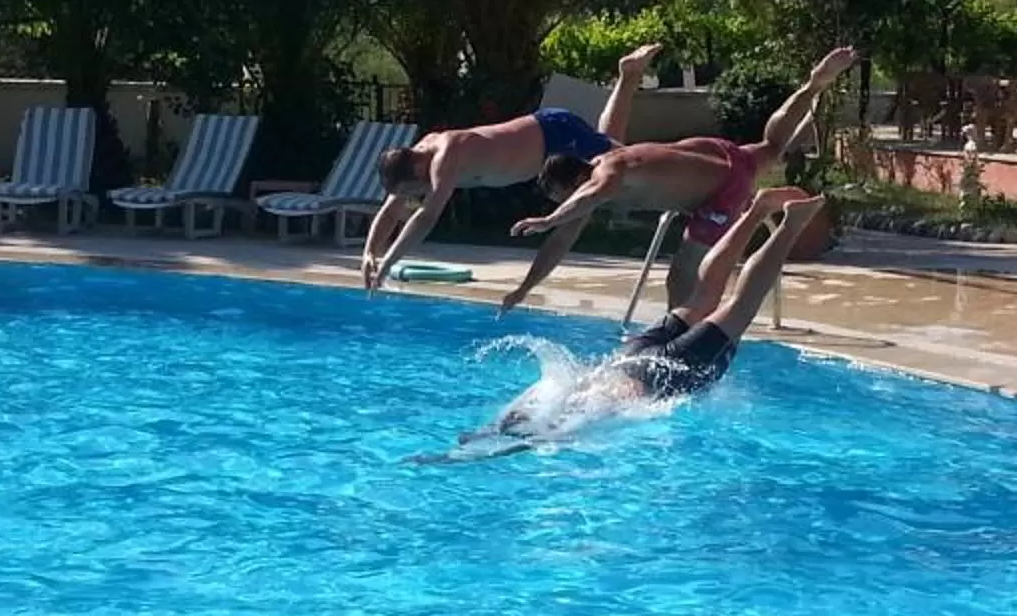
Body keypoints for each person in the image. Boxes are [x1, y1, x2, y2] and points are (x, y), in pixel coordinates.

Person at [500, 46, 856, 315]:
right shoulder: (609, 153)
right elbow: (558, 244)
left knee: (684, 274)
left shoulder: (605, 174)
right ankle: (813, 84)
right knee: (773, 145)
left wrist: (548, 219)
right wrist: (523, 289)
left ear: (577, 178)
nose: (564, 207)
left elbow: (588, 196)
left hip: (722, 192)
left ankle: (682, 342)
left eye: (562, 197)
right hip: (716, 153)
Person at [477, 193, 826, 446]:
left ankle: (791, 224)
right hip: (629, 356)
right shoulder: (525, 406)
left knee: (741, 306)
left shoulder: (555, 427)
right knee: (703, 294)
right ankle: (756, 211)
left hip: (661, 376)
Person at [360, 43, 664, 290]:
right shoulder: (414, 160)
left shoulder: (444, 156)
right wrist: (369, 251)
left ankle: (682, 159)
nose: (415, 196)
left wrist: (387, 265)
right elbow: (391, 207)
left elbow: (426, 218)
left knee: (628, 161)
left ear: (416, 171)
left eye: (413, 191)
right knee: (610, 146)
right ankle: (628, 77)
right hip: (546, 139)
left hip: (554, 133)